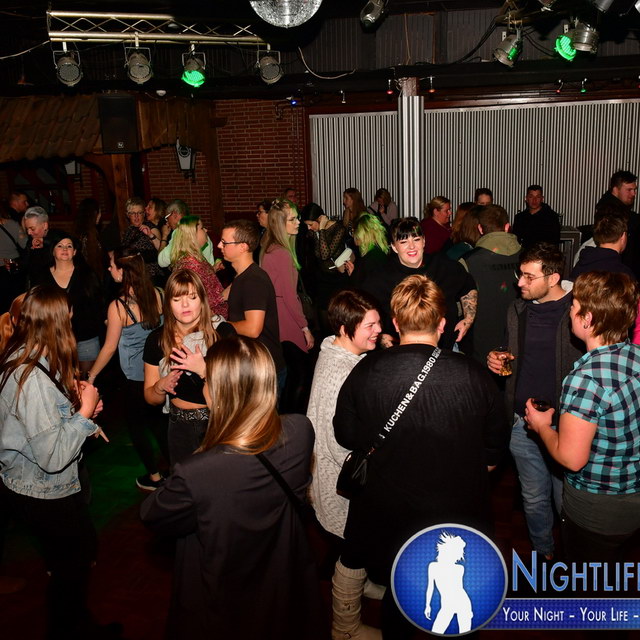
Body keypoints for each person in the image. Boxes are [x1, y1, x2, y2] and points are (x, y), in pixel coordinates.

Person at [333, 274, 507, 639]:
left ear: (396, 324)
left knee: (401, 601)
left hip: (389, 517)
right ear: (442, 324)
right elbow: (493, 455)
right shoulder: (475, 376)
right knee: (460, 618)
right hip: (458, 518)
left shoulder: (366, 370)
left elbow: (346, 436)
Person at [140, 336, 321, 640]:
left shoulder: (198, 471)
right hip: (283, 581)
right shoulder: (301, 430)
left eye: (207, 379)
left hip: (224, 598)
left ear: (217, 392)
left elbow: (153, 515)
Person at [0, 285, 107, 639]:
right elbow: (53, 456)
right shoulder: (30, 378)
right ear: (57, 323)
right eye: (69, 318)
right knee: (71, 570)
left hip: (45, 487)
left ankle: (79, 626)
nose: (73, 323)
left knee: (75, 562)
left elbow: (46, 424)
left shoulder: (35, 358)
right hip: (43, 491)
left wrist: (77, 409)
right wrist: (84, 413)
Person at [526, 271, 640, 567]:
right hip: (633, 497)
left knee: (589, 581)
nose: (570, 312)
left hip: (598, 509)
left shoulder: (586, 379)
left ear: (587, 319)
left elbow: (572, 458)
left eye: (574, 306)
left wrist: (542, 426)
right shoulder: (636, 356)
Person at [487, 242, 583, 560]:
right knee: (533, 496)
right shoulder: (517, 310)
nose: (520, 283)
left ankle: (572, 558)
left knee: (564, 498)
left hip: (565, 424)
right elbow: (510, 352)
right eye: (521, 274)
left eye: (529, 277)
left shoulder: (579, 311)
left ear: (553, 278)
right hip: (522, 422)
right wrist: (496, 358)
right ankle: (544, 553)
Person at [87, 249, 166, 491]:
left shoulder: (119, 306)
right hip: (160, 373)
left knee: (136, 427)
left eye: (112, 265)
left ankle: (154, 477)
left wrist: (91, 375)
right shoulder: (158, 294)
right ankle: (177, 469)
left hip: (136, 377)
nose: (109, 269)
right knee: (160, 424)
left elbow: (109, 348)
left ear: (123, 272)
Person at [307, 289, 381, 544]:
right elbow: (336, 442)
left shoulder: (332, 350)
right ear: (344, 328)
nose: (378, 330)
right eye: (370, 326)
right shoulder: (344, 374)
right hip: (340, 485)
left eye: (378, 322)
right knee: (353, 549)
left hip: (330, 477)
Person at [362, 217, 477, 351]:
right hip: (400, 353)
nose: (411, 246)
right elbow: (362, 310)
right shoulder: (380, 276)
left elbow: (468, 287)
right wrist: (380, 336)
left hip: (445, 350)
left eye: (416, 239)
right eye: (403, 242)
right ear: (394, 247)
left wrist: (468, 320)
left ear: (424, 241)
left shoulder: (444, 266)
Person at [143, 269, 218, 465]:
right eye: (177, 299)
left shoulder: (221, 333)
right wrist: (160, 386)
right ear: (168, 304)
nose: (185, 305)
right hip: (179, 426)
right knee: (183, 481)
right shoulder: (156, 340)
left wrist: (204, 370)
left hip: (216, 423)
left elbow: (236, 391)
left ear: (202, 300)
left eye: (192, 297)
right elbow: (150, 397)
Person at [218, 219, 287, 393]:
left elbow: (253, 328)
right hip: (253, 364)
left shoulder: (253, 280)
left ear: (243, 247)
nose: (219, 245)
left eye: (225, 242)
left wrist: (220, 325)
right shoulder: (242, 277)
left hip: (263, 369)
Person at [260, 200, 314, 412]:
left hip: (278, 317)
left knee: (292, 374)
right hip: (286, 319)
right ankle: (290, 419)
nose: (298, 222)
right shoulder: (281, 253)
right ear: (280, 224)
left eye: (297, 217)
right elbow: (290, 296)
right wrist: (304, 327)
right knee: (300, 375)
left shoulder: (271, 247)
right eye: (292, 219)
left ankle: (285, 418)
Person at [33, 235, 104, 377]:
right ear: (53, 251)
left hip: (85, 337)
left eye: (69, 246)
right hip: (53, 337)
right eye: (60, 246)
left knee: (86, 379)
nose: (65, 249)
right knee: (58, 378)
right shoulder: (42, 275)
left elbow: (98, 304)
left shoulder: (87, 274)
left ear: (75, 252)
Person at [460, 205, 521, 364]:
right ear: (507, 227)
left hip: (480, 345)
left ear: (480, 228)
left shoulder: (468, 261)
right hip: (520, 340)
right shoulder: (528, 257)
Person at [169, 215, 227, 319]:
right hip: (209, 320)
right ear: (192, 235)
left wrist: (213, 269)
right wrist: (226, 294)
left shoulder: (191, 258)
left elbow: (202, 280)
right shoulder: (191, 265)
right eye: (202, 228)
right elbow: (200, 302)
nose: (206, 230)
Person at [121, 196, 161, 282]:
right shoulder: (128, 230)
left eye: (139, 213)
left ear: (144, 214)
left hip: (150, 276)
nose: (136, 216)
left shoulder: (150, 228)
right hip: (133, 275)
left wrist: (150, 235)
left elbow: (161, 250)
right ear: (128, 215)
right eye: (133, 213)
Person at [344, 213, 389, 288]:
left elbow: (366, 289)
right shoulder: (377, 252)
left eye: (354, 232)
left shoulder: (371, 259)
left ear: (362, 234)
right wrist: (355, 273)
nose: (353, 235)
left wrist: (353, 276)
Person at [0, 204, 27, 313]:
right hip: (12, 267)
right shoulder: (12, 224)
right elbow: (25, 244)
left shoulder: (11, 224)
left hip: (10, 268)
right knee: (14, 303)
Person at [73, 198, 104, 282]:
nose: (100, 215)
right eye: (99, 212)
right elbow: (92, 263)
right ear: (94, 214)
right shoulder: (88, 235)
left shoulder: (79, 232)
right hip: (89, 279)